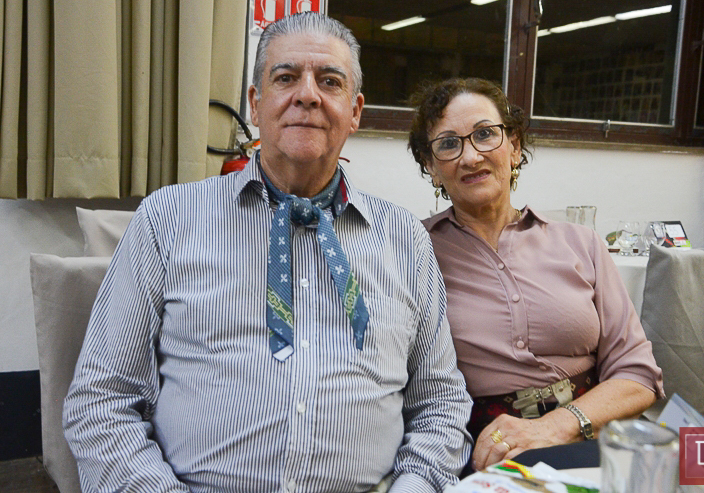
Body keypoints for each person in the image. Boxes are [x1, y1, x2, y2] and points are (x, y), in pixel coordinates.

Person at [63, 13, 472, 493]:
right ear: (256, 105)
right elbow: (102, 402)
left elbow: (440, 404)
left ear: (355, 111)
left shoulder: (404, 238)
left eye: (330, 81)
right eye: (286, 77)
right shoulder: (167, 220)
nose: (307, 95)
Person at [407, 78, 664, 472]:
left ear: (513, 147)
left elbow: (638, 374)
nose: (471, 156)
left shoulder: (581, 243)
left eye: (485, 134)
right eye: (448, 143)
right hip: (492, 447)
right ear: (431, 167)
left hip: (595, 433)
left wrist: (557, 426)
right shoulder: (413, 250)